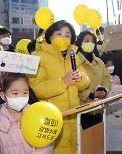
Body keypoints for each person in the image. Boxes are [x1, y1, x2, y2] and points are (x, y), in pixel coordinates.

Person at [29, 20, 90, 154]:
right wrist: (63, 82)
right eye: (59, 33)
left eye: (67, 35)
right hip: (52, 120)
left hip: (74, 116)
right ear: (50, 37)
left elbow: (85, 82)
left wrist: (81, 79)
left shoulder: (73, 55)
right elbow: (36, 88)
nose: (63, 37)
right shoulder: (38, 57)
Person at [0, 73, 53, 154]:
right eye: (15, 93)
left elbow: (47, 145)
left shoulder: (38, 118)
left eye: (25, 93)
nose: (21, 97)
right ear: (3, 96)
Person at [75, 30, 112, 130]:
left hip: (98, 109)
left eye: (92, 41)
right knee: (83, 142)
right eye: (86, 40)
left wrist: (104, 90)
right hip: (82, 110)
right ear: (79, 42)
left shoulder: (99, 61)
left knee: (97, 141)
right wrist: (90, 94)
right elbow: (73, 84)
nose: (89, 43)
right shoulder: (74, 61)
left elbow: (107, 78)